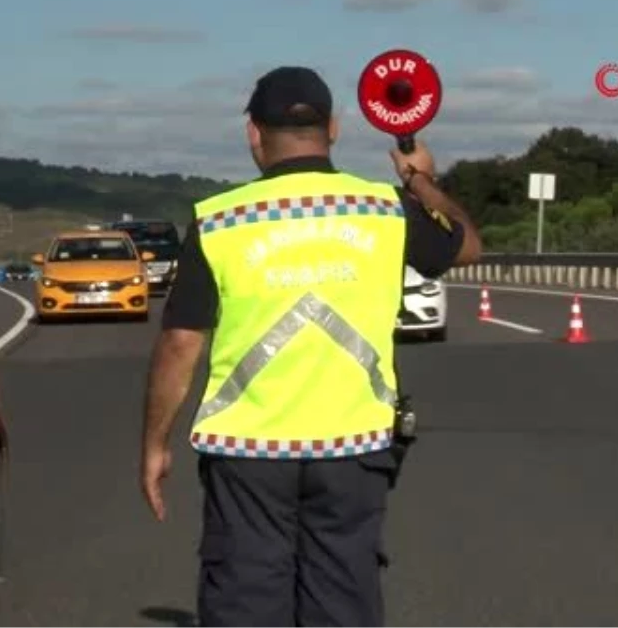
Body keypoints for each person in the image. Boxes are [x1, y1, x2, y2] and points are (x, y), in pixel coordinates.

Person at [140, 65, 482, 628]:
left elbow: (180, 343)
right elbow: (467, 247)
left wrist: (155, 444)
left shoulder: (220, 220)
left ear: (253, 132)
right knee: (343, 599)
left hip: (247, 453)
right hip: (353, 448)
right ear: (335, 127)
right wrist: (419, 181)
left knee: (245, 603)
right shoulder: (384, 210)